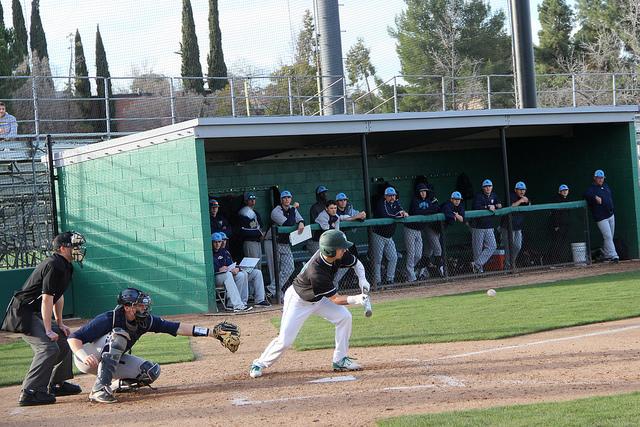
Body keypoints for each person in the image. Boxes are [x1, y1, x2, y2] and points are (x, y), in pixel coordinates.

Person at [68, 288, 240, 403]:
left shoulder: (145, 321)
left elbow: (176, 327)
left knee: (149, 372)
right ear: (128, 307)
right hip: (88, 357)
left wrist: (212, 333)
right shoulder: (109, 318)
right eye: (140, 305)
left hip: (109, 359)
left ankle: (113, 385)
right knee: (119, 336)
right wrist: (84, 356)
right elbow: (74, 337)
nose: (144, 308)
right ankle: (99, 390)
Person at [249, 230, 372, 378]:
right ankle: (259, 363)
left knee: (344, 317)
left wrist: (362, 280)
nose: (345, 250)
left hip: (319, 298)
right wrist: (357, 299)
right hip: (299, 301)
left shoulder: (338, 254)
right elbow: (335, 299)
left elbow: (357, 263)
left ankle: (340, 360)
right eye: (342, 248)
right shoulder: (317, 271)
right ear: (331, 250)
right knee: (285, 340)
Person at [0, 232, 86, 406]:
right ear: (62, 248)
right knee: (48, 348)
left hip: (36, 313)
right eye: (74, 246)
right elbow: (47, 298)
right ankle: (30, 392)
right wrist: (47, 329)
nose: (78, 249)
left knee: (65, 340)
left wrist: (60, 323)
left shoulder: (66, 266)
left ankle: (57, 383)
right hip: (22, 313)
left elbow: (57, 296)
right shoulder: (54, 264)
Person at [265, 190, 305, 296]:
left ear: (291, 198)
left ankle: (272, 290)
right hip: (271, 242)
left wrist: (301, 222)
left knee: (289, 267)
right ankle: (276, 291)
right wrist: (293, 209)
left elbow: (301, 220)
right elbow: (289, 223)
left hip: (284, 243)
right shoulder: (276, 211)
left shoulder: (292, 209)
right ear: (281, 200)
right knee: (274, 269)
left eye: (288, 197)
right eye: (284, 198)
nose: (287, 199)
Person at [371, 187, 408, 286]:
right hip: (378, 235)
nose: (392, 197)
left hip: (389, 236)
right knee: (377, 259)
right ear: (385, 196)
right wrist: (398, 214)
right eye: (389, 196)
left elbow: (401, 210)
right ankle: (377, 281)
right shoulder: (381, 203)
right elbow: (386, 214)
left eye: (393, 195)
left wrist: (403, 212)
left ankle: (389, 279)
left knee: (393, 257)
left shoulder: (396, 202)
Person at [404, 183, 440, 281]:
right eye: (421, 192)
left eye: (424, 191)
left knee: (418, 255)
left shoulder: (428, 200)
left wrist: (426, 210)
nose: (423, 193)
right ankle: (411, 276)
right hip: (410, 229)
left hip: (419, 230)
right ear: (418, 193)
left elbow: (436, 208)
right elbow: (417, 211)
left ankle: (408, 270)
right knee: (411, 253)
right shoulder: (414, 200)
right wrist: (428, 210)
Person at [212, 233, 254, 312]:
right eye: (215, 242)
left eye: (219, 242)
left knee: (241, 275)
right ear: (211, 242)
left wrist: (235, 269)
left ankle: (239, 303)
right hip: (215, 276)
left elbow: (230, 265)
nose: (217, 244)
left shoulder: (224, 251)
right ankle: (237, 305)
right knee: (228, 275)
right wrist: (218, 269)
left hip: (225, 275)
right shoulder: (209, 252)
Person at [584, 169, 619, 263]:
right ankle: (614, 256)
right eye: (598, 178)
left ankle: (607, 255)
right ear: (595, 178)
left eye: (602, 178)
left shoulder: (605, 186)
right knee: (607, 236)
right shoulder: (591, 189)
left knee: (610, 236)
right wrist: (594, 197)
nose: (600, 179)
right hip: (601, 217)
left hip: (610, 215)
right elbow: (586, 194)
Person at [470, 179, 502, 273]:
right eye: (486, 186)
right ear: (483, 188)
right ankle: (479, 271)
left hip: (489, 226)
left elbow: (499, 205)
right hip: (477, 227)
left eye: (489, 186)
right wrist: (488, 206)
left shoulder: (494, 195)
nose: (488, 188)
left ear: (492, 187)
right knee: (477, 250)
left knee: (492, 246)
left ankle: (476, 265)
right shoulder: (478, 196)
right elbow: (476, 207)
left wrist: (496, 205)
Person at [500, 181, 530, 269]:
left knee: (518, 246)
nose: (522, 191)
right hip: (507, 227)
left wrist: (527, 201)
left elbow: (529, 206)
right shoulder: (511, 196)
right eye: (520, 189)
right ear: (515, 190)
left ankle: (510, 263)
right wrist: (521, 200)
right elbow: (511, 206)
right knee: (509, 246)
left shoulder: (524, 198)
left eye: (523, 190)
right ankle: (508, 267)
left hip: (518, 227)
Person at [237, 191, 265, 259]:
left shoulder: (256, 213)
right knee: (253, 266)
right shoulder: (243, 213)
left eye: (254, 199)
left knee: (259, 266)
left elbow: (260, 226)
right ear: (246, 201)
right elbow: (243, 230)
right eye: (250, 199)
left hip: (258, 242)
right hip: (249, 242)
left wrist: (260, 233)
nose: (252, 201)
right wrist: (259, 233)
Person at [550, 184, 571, 263]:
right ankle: (554, 261)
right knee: (557, 243)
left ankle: (563, 261)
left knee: (563, 243)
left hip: (566, 225)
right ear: (559, 192)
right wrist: (556, 225)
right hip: (558, 226)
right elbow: (554, 213)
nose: (565, 192)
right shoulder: (556, 199)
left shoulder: (568, 199)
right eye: (563, 190)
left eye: (566, 190)